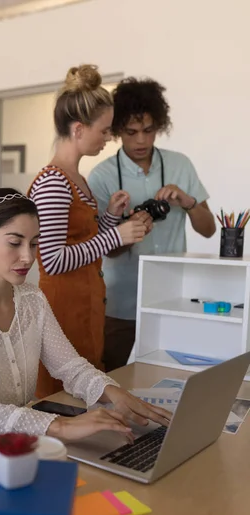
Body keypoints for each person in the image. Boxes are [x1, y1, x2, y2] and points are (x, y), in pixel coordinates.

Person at [0, 188, 170, 446]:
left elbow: (70, 367)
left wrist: (115, 393)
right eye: (15, 243)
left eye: (35, 243)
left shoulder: (32, 299)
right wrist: (58, 426)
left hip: (15, 436)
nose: (28, 257)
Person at [29, 65, 146, 399]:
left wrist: (110, 217)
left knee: (85, 401)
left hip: (85, 310)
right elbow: (51, 260)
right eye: (105, 130)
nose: (108, 139)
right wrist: (116, 236)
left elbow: (81, 243)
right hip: (62, 314)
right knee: (63, 402)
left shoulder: (76, 178)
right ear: (79, 129)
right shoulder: (53, 182)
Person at [88, 77, 216, 371]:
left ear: (159, 125)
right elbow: (102, 249)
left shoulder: (179, 165)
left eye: (149, 130)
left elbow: (208, 229)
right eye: (131, 132)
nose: (141, 141)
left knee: (172, 381)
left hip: (174, 301)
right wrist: (129, 231)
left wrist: (187, 201)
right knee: (117, 382)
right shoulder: (102, 176)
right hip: (120, 305)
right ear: (117, 130)